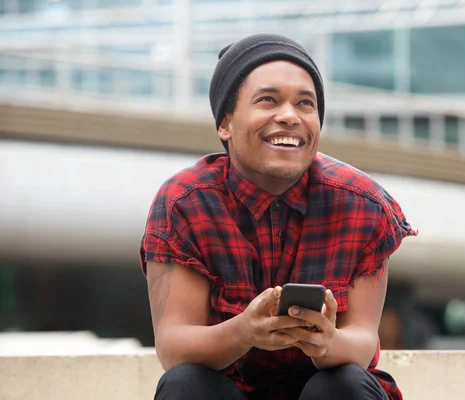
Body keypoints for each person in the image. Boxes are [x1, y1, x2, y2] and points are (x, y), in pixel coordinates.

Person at [140, 33, 417, 400]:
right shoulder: (185, 202)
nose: (289, 116)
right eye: (268, 100)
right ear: (225, 123)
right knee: (185, 384)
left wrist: (327, 340)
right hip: (227, 389)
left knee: (343, 385)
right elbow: (174, 346)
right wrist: (245, 331)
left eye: (306, 104)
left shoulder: (363, 205)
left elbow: (362, 342)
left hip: (328, 389)